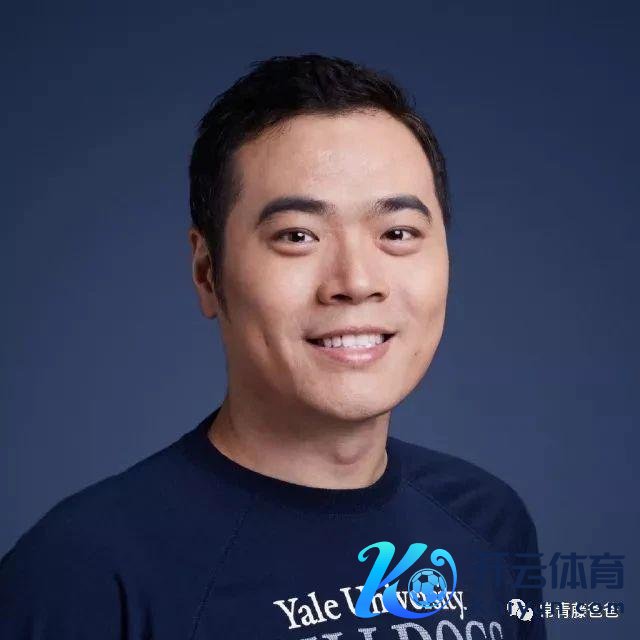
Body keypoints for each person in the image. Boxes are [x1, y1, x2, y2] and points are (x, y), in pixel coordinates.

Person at [0, 54, 546, 639]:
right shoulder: (85, 575)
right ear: (207, 272)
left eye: (397, 233)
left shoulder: (486, 521)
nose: (357, 281)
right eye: (297, 235)